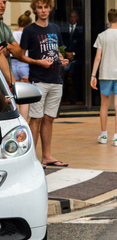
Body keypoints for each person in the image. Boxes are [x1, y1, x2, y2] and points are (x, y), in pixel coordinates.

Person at [20, 0, 70, 168]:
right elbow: (21, 56)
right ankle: (31, 158)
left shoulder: (55, 29)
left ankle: (47, 156)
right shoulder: (29, 30)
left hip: (56, 79)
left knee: (49, 118)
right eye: (40, 7)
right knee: (36, 118)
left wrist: (62, 60)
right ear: (35, 9)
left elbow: (57, 51)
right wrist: (38, 62)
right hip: (38, 80)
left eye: (46, 7)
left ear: (50, 8)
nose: (43, 10)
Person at [90, 8, 117, 147]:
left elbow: (98, 57)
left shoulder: (102, 36)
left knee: (104, 105)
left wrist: (93, 75)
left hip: (105, 74)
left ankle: (103, 135)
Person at [12, 10, 32, 119]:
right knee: (25, 98)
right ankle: (23, 120)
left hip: (13, 63)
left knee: (15, 94)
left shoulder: (12, 34)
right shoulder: (27, 34)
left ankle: (15, 119)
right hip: (24, 64)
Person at [61, 9, 84, 106]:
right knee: (64, 81)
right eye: (71, 17)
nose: (73, 19)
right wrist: (66, 53)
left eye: (74, 17)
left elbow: (83, 45)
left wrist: (73, 54)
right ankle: (63, 100)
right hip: (65, 59)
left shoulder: (82, 29)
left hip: (77, 60)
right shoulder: (64, 28)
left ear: (77, 18)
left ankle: (73, 101)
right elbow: (61, 41)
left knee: (76, 81)